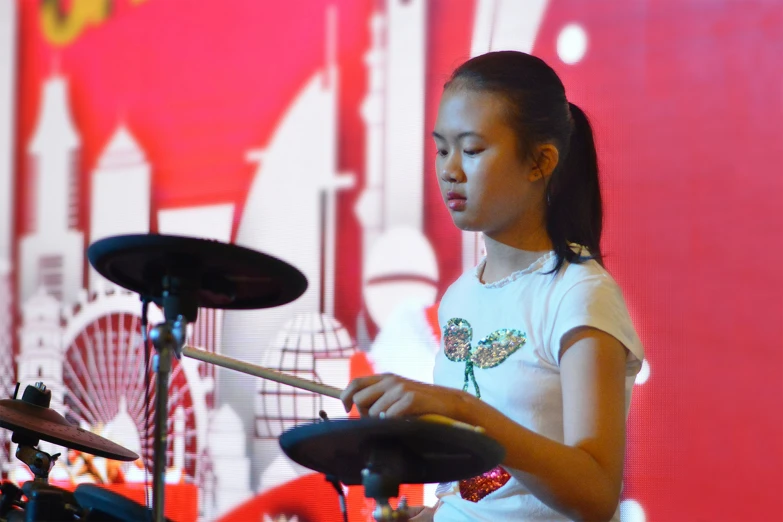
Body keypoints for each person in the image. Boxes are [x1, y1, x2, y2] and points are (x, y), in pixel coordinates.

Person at [340, 50, 644, 522]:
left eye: (473, 150)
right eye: (442, 149)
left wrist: (465, 410)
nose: (449, 170)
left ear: (540, 161)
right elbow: (480, 498)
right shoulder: (461, 296)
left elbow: (596, 494)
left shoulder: (579, 293)